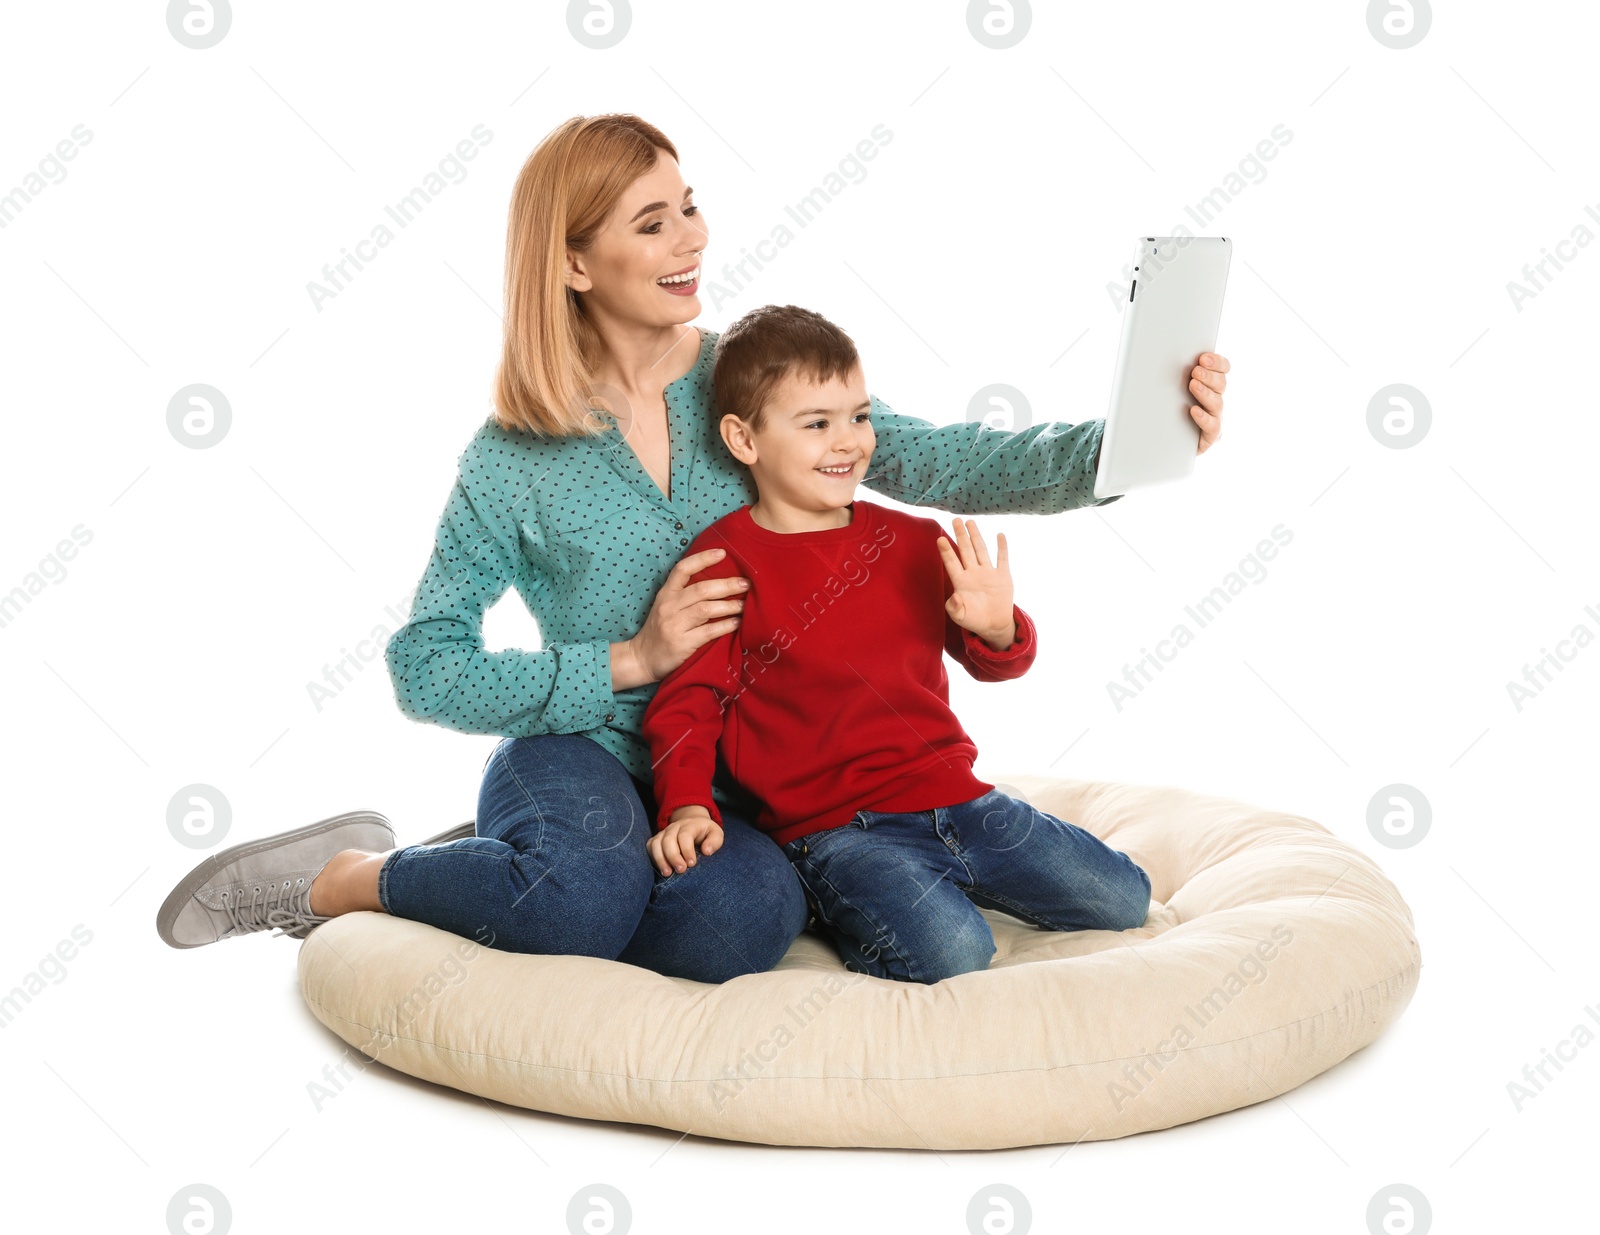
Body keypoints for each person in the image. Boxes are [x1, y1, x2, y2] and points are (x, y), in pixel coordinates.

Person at [153, 113, 1230, 984]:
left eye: (692, 207)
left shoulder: (748, 378)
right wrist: (623, 661)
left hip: (725, 778)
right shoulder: (512, 455)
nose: (693, 241)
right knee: (581, 902)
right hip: (580, 745)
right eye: (652, 223)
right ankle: (356, 872)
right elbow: (425, 662)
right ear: (574, 262)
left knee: (741, 926)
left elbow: (943, 459)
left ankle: (523, 864)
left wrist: (1129, 443)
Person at [639, 305, 1155, 984]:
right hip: (835, 830)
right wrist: (686, 804)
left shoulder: (910, 541)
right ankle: (848, 903)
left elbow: (997, 658)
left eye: (858, 415)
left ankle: (944, 876)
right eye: (817, 423)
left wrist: (997, 625)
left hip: (959, 799)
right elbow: (689, 702)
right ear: (744, 439)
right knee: (954, 951)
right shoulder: (724, 562)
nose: (849, 441)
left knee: (1126, 897)